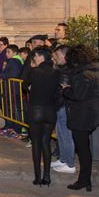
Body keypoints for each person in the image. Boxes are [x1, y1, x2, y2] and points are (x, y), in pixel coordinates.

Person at [62, 45, 99, 191]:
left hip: (82, 115)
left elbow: (77, 95)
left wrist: (66, 89)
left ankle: (84, 180)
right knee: (84, 148)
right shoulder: (93, 71)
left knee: (83, 149)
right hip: (89, 112)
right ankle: (85, 180)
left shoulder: (84, 74)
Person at [24, 47, 59, 186]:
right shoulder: (56, 72)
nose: (34, 60)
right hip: (50, 110)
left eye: (35, 57)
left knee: (36, 143)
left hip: (36, 110)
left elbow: (24, 84)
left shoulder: (35, 71)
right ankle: (47, 177)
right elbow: (59, 92)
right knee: (46, 142)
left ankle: (37, 177)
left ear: (41, 57)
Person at [51, 45, 76, 174]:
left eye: (58, 55)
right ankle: (63, 159)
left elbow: (62, 89)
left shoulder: (66, 70)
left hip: (63, 105)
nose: (55, 57)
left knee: (66, 134)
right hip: (60, 105)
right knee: (61, 134)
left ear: (65, 55)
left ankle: (70, 163)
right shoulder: (62, 69)